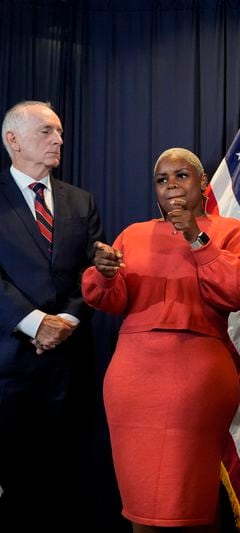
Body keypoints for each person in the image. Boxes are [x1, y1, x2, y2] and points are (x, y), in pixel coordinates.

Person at [82, 147, 240, 532]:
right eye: (162, 180)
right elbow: (110, 301)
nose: (171, 186)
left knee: (188, 498)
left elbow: (239, 290)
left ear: (202, 184)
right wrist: (106, 274)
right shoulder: (134, 234)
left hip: (197, 379)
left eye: (182, 176)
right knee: (141, 499)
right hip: (133, 380)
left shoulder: (227, 231)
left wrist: (197, 238)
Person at [0, 100, 104, 530]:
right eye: (46, 131)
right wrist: (35, 323)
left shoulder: (80, 201)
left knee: (65, 485)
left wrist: (67, 322)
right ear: (13, 141)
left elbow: (93, 270)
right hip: (8, 367)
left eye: (59, 132)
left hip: (70, 366)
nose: (59, 139)